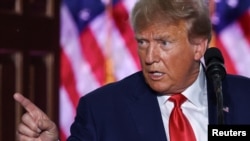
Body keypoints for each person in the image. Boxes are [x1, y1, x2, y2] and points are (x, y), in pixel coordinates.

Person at [14, 0, 250, 140]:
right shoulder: (101, 110)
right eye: (142, 42)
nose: (149, 57)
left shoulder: (243, 98)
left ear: (198, 46)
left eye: (163, 43)